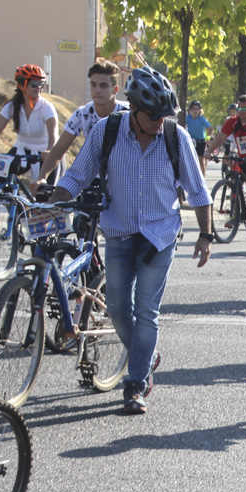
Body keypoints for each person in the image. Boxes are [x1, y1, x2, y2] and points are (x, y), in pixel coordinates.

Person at [50, 67, 213, 415]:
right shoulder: (105, 131)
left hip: (160, 235)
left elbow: (198, 191)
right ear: (134, 110)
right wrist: (51, 205)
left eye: (163, 115)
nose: (159, 121)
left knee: (146, 312)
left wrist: (205, 235)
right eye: (153, 115)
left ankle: (136, 383)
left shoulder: (175, 136)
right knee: (118, 310)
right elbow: (77, 176)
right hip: (119, 232)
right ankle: (147, 355)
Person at [36, 60, 129, 187]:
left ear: (115, 89)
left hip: (123, 180)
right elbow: (59, 149)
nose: (97, 90)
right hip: (92, 179)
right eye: (93, 85)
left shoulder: (129, 114)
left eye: (103, 86)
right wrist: (42, 177)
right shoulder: (82, 113)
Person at [0, 64, 57, 183]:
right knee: (3, 177)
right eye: (34, 84)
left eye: (41, 85)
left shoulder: (47, 107)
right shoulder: (12, 106)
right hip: (21, 149)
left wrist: (49, 151)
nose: (39, 88)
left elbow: (53, 135)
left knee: (45, 195)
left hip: (45, 153)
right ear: (21, 85)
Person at [203, 95, 246, 210]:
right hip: (244, 157)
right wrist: (208, 151)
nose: (240, 112)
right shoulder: (233, 121)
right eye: (239, 109)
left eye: (244, 109)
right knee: (235, 182)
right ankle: (236, 213)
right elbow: (221, 137)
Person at [184, 101, 213, 177]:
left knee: (201, 159)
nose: (195, 110)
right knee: (190, 159)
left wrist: (208, 137)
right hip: (190, 141)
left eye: (197, 108)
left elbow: (211, 129)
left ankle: (203, 177)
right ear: (190, 110)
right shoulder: (187, 118)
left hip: (201, 141)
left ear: (200, 110)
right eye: (193, 108)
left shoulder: (202, 119)